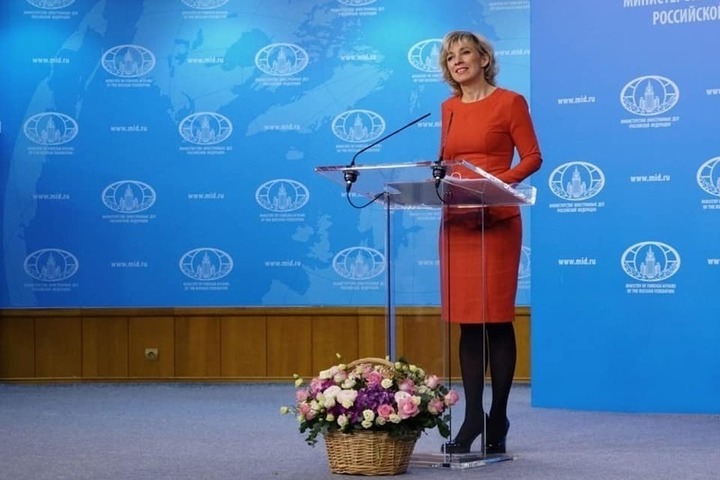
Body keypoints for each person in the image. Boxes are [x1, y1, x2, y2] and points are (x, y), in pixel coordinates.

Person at [437, 30, 542, 455]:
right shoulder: (448, 108)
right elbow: (446, 161)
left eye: (465, 53)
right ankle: (472, 417)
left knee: (496, 318)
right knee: (468, 321)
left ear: (484, 58)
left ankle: (497, 415)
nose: (457, 61)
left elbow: (532, 156)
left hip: (497, 219)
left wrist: (499, 186)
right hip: (458, 221)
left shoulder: (510, 102)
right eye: (450, 57)